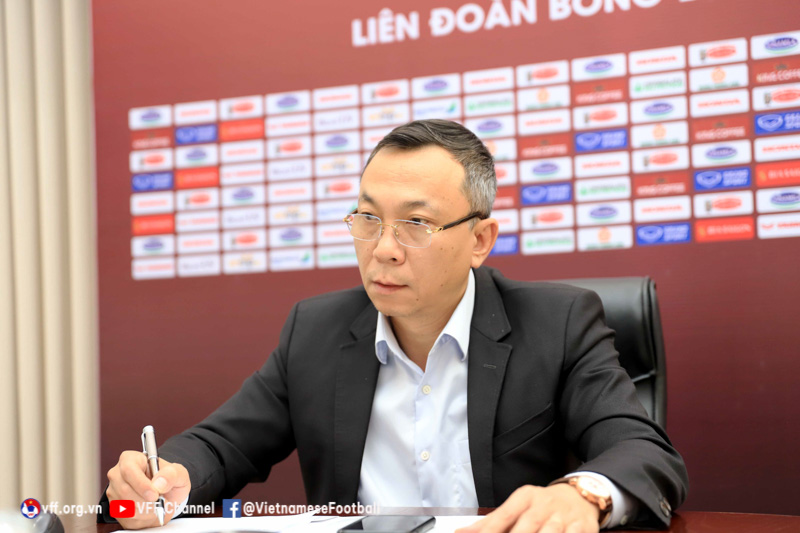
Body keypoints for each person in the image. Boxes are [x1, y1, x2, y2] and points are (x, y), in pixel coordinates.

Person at [101, 119, 688, 532]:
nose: (383, 248)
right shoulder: (316, 330)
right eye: (368, 219)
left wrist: (581, 495)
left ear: (479, 239)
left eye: (415, 224)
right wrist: (166, 477)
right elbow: (223, 444)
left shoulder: (557, 323)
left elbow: (642, 451)